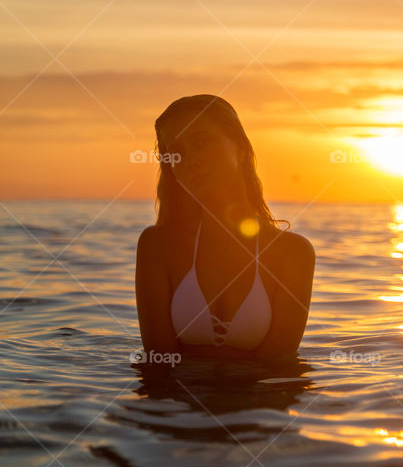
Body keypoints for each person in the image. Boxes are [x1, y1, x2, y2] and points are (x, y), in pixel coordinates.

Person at [135, 94, 315, 361]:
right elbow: (158, 367)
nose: (191, 160)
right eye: (178, 153)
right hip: (176, 403)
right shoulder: (158, 247)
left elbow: (279, 371)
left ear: (240, 148)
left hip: (260, 402)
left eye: (201, 142)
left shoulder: (293, 254)